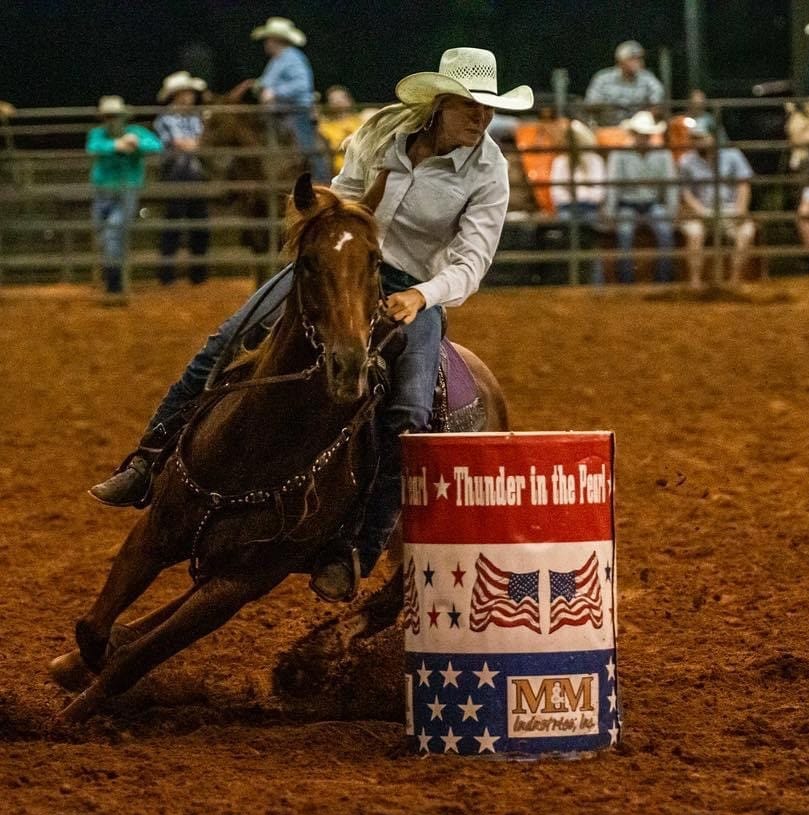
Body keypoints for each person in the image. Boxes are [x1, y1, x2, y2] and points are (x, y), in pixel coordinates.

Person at [89, 46, 533, 601]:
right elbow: (345, 193)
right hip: (341, 262)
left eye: (489, 109)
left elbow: (472, 260)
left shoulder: (489, 171)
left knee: (411, 413)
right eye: (472, 107)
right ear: (441, 104)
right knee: (223, 342)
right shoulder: (380, 133)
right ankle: (148, 460)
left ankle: (358, 547)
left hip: (412, 288)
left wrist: (423, 295)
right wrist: (326, 233)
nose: (483, 119)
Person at [86, 96, 162, 297]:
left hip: (125, 190)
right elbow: (93, 148)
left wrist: (135, 144)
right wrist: (117, 146)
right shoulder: (98, 134)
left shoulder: (135, 133)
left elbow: (156, 145)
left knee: (113, 232)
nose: (112, 120)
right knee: (104, 236)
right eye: (109, 117)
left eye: (115, 116)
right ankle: (111, 278)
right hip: (103, 191)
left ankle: (114, 284)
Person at [251, 16, 330, 182]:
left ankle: (321, 181)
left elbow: (302, 85)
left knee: (307, 149)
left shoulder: (292, 58)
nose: (266, 43)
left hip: (296, 111)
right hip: (281, 113)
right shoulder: (278, 60)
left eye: (268, 40)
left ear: (275, 40)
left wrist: (275, 92)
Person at [679, 121, 755, 288]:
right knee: (694, 234)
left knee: (746, 233)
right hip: (700, 209)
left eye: (701, 137)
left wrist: (740, 209)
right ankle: (695, 282)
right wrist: (698, 209)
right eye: (694, 138)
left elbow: (743, 184)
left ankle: (735, 281)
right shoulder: (687, 160)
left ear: (714, 137)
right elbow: (685, 192)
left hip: (729, 208)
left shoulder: (732, 155)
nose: (696, 141)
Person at [606, 110, 678, 283]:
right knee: (625, 234)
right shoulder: (619, 154)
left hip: (651, 204)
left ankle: (663, 280)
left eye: (646, 135)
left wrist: (672, 211)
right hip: (627, 205)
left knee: (665, 232)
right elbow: (613, 185)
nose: (644, 138)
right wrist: (610, 211)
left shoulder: (663, 154)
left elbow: (671, 185)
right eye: (641, 134)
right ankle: (626, 281)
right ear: (634, 134)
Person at [154, 71, 210, 285]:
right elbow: (181, 143)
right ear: (175, 96)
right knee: (174, 224)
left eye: (190, 93)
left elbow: (197, 143)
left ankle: (198, 275)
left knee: (200, 225)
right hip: (176, 174)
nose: (189, 97)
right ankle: (167, 275)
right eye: (185, 93)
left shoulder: (196, 118)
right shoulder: (166, 119)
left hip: (194, 173)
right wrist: (200, 144)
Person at [550, 120, 606, 284]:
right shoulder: (561, 162)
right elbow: (557, 194)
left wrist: (576, 194)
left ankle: (595, 283)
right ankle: (567, 281)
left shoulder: (594, 160)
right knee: (566, 235)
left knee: (589, 235)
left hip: (589, 209)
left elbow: (599, 193)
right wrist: (583, 193)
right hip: (568, 209)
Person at [585, 41, 665, 127]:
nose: (637, 62)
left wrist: (645, 115)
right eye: (632, 59)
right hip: (608, 127)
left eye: (639, 59)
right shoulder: (603, 78)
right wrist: (609, 106)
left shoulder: (648, 79)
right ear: (620, 61)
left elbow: (658, 103)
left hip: (638, 129)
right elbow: (590, 104)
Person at [317, 85, 367, 175]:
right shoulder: (325, 127)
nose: (338, 101)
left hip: (363, 168)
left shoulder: (361, 121)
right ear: (328, 104)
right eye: (333, 99)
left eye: (341, 98)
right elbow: (329, 149)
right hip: (338, 171)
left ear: (349, 100)